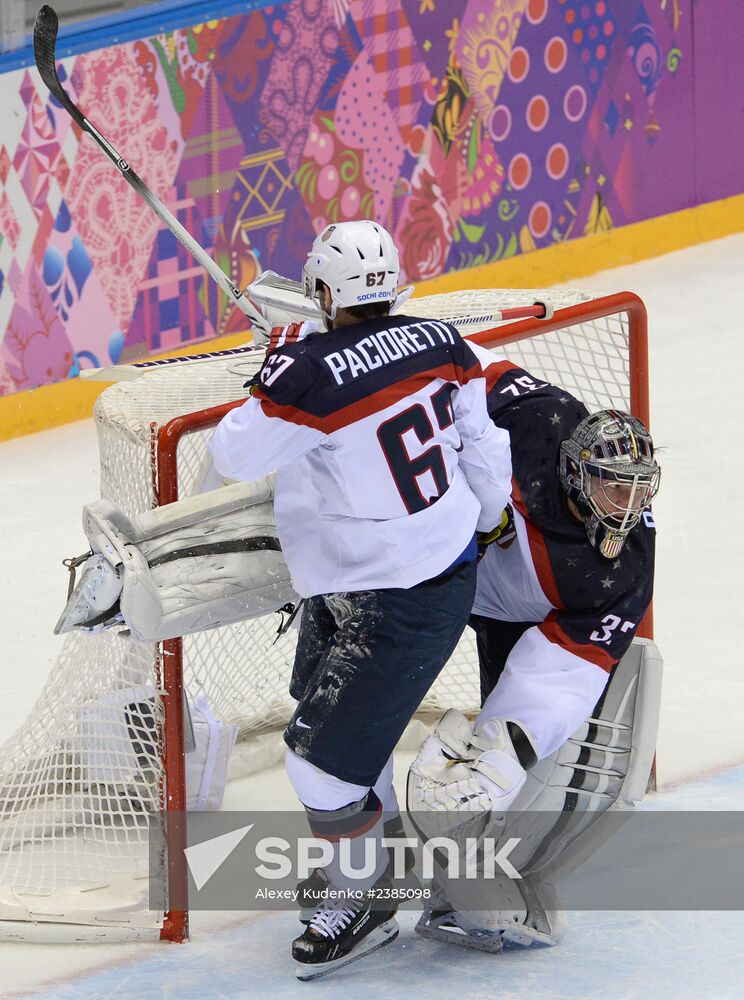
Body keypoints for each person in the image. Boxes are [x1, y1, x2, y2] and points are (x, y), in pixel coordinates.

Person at [208, 220, 512, 979]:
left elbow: (230, 454)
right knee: (347, 742)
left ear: (321, 293)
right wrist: (489, 516)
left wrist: (280, 364)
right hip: (395, 571)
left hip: (401, 598)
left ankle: (368, 898)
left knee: (318, 766)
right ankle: (373, 864)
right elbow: (482, 443)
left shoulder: (306, 374)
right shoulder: (444, 341)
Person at [407, 354, 661, 949]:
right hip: (424, 558)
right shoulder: (540, 418)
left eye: (635, 487)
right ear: (575, 472)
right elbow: (464, 371)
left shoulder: (620, 572)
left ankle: (455, 864)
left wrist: (498, 754)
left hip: (510, 614)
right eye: (609, 483)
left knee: (509, 765)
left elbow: (562, 672)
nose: (623, 503)